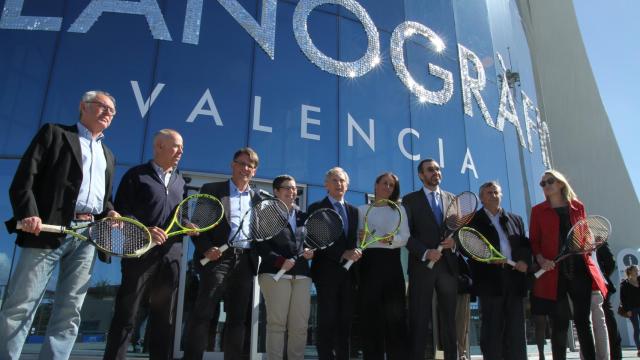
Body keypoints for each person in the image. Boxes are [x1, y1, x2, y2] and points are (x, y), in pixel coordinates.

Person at [0, 90, 119, 360]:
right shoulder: (54, 134)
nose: (108, 113)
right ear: (83, 106)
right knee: (22, 304)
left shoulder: (108, 154)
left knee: (70, 310)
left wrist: (109, 213)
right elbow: (24, 180)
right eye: (102, 107)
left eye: (112, 111)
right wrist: (29, 213)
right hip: (46, 229)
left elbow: (104, 199)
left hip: (89, 235)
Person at [103, 129, 187, 359]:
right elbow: (122, 212)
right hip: (139, 255)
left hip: (171, 257)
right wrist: (145, 230)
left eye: (181, 147)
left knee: (163, 319)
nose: (181, 151)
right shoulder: (136, 175)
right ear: (159, 146)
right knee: (127, 315)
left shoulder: (180, 180)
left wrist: (189, 225)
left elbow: (179, 217)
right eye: (176, 146)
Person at [183, 147, 262, 360]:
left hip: (245, 261)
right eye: (241, 163)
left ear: (254, 171)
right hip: (217, 259)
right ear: (232, 165)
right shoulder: (213, 189)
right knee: (203, 314)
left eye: (250, 165)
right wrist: (206, 248)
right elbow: (198, 225)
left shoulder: (258, 198)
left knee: (237, 319)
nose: (245, 168)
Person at [530, 169, 608, 360]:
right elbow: (534, 242)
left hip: (579, 270)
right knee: (559, 322)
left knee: (583, 322)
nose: (546, 185)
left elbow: (583, 238)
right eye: (543, 183)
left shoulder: (578, 207)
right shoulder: (537, 211)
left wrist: (588, 244)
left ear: (560, 184)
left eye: (550, 181)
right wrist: (541, 260)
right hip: (553, 273)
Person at [467, 181, 531, 360]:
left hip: (514, 279)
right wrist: (488, 258)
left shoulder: (515, 219)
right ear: (481, 198)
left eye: (496, 192)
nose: (493, 195)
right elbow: (468, 249)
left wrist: (524, 261)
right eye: (488, 193)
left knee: (516, 330)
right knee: (493, 329)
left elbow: (525, 245)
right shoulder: (473, 221)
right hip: (489, 282)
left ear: (501, 195)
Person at [403, 158, 458, 360]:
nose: (435, 172)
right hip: (421, 267)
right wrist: (426, 253)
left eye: (437, 169)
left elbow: (459, 232)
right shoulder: (409, 200)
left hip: (448, 269)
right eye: (430, 170)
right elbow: (405, 235)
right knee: (418, 319)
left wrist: (455, 244)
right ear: (421, 175)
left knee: (449, 321)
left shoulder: (453, 199)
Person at [256, 175, 313, 360]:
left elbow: (307, 243)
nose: (292, 191)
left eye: (294, 188)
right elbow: (260, 246)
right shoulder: (265, 214)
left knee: (300, 326)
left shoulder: (302, 216)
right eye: (287, 188)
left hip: (302, 275)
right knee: (277, 324)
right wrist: (280, 261)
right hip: (274, 274)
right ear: (276, 192)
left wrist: (309, 251)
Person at [309, 167, 361, 360]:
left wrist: (356, 250)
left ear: (347, 185)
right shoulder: (316, 208)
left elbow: (354, 241)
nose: (339, 184)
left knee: (346, 323)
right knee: (327, 321)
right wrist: (343, 253)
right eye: (335, 180)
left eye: (342, 181)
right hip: (326, 274)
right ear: (326, 185)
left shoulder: (354, 211)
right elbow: (316, 239)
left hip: (349, 276)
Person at [357, 172, 409, 360]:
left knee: (396, 318)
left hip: (393, 266)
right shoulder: (362, 210)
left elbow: (405, 237)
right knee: (371, 319)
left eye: (392, 185)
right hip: (369, 266)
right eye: (384, 183)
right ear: (376, 185)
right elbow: (358, 239)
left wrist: (391, 240)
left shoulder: (400, 210)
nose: (388, 187)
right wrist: (360, 238)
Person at [595, 244, 622, 360]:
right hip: (595, 285)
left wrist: (601, 277)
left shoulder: (597, 238)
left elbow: (610, 262)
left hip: (600, 285)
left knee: (607, 319)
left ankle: (614, 355)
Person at [620, 264, 640, 357]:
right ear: (630, 272)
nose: (637, 271)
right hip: (632, 309)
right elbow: (623, 298)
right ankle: (639, 349)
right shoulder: (625, 284)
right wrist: (627, 310)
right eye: (635, 270)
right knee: (637, 329)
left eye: (637, 269)